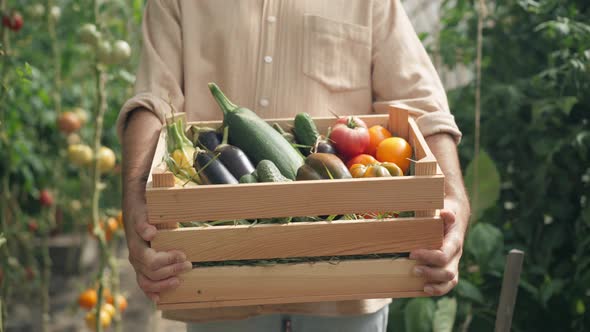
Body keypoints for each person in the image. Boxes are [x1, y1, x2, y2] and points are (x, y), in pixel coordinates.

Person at [118, 1, 471, 331]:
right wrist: (135, 196)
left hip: (350, 281)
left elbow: (421, 104)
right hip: (215, 280)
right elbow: (153, 100)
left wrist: (455, 199)